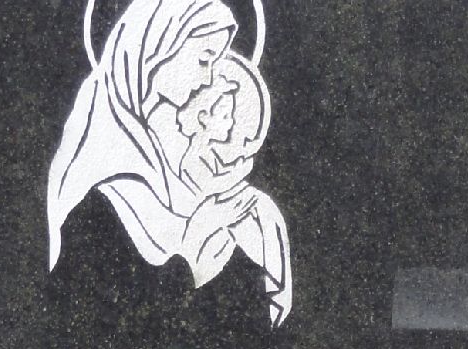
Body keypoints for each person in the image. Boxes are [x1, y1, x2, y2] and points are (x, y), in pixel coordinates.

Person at [47, 0, 292, 326]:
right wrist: (192, 253)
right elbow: (80, 329)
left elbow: (253, 331)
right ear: (157, 51)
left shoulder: (199, 186)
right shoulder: (98, 208)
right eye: (204, 60)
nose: (208, 78)